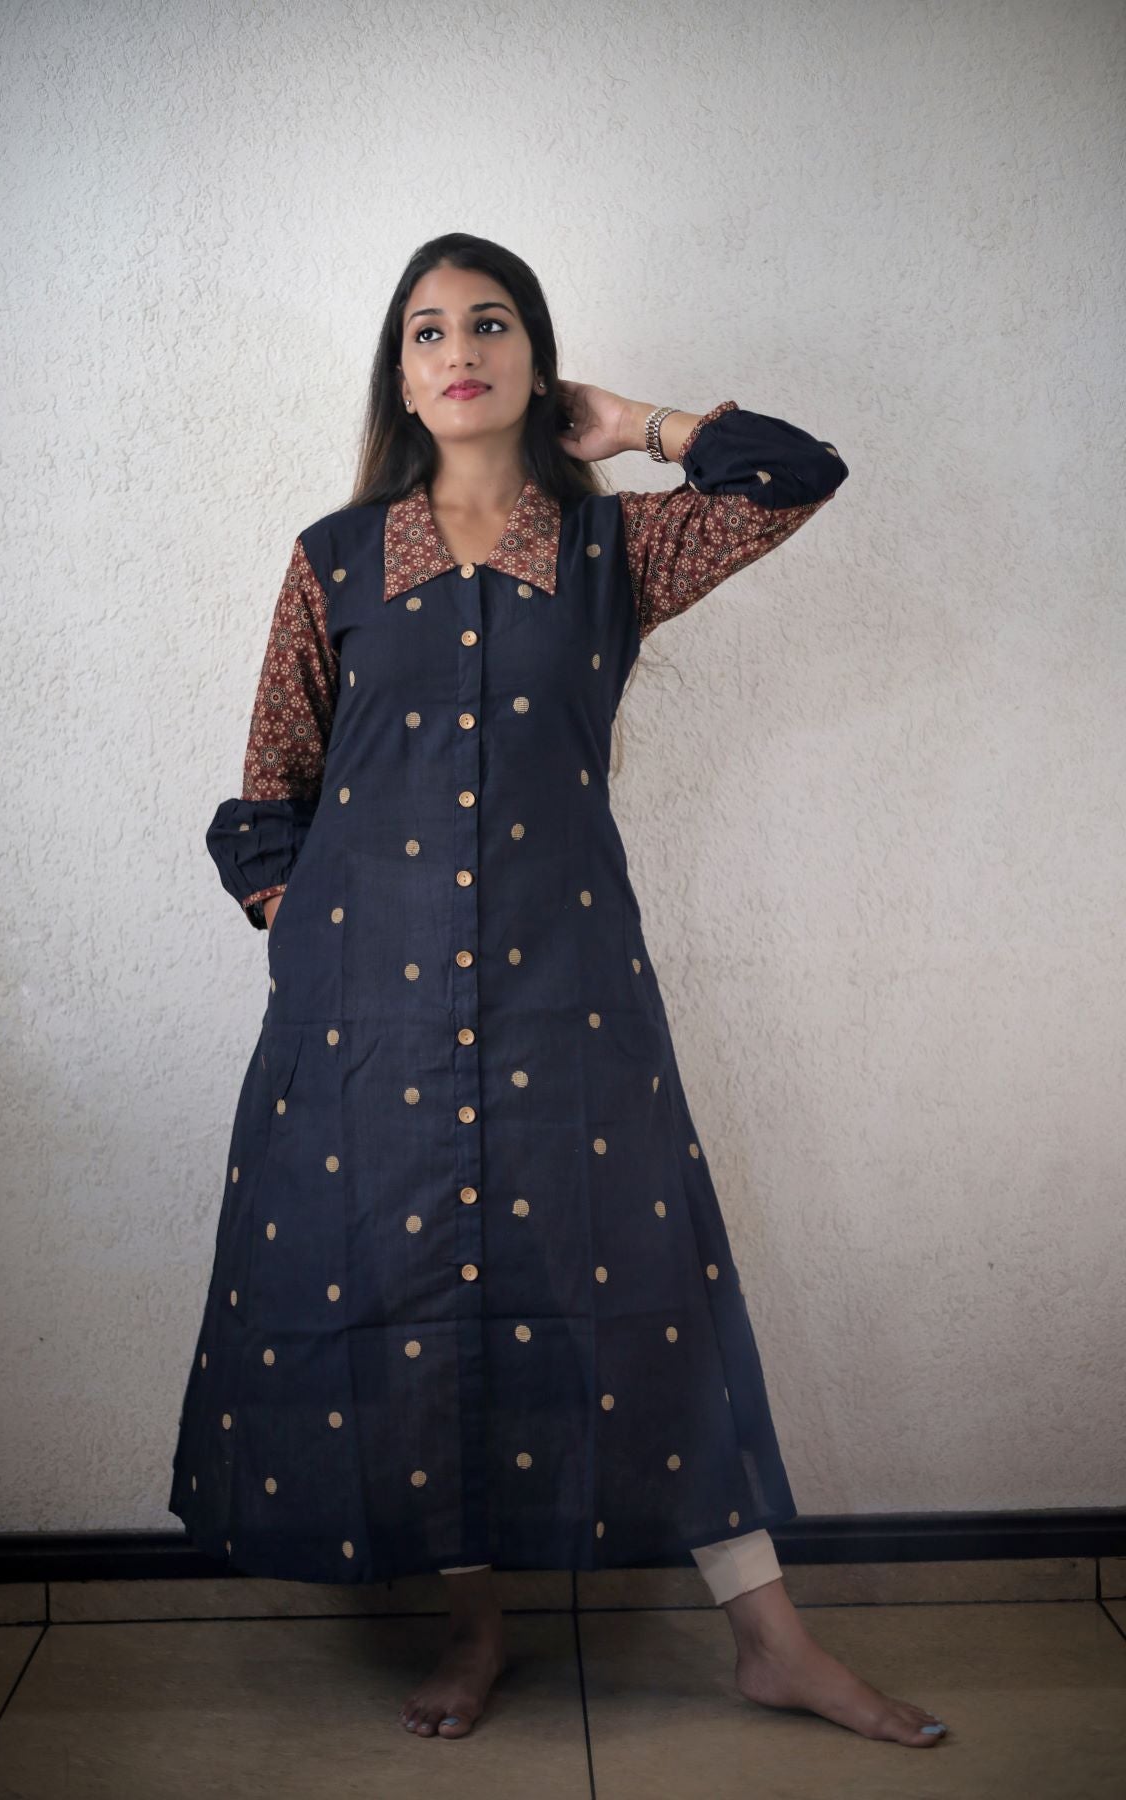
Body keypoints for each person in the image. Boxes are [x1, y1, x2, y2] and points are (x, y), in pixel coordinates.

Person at [169, 233, 947, 1751]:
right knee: (409, 1306)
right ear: (399, 377)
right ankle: (476, 1629)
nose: (459, 351)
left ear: (537, 359)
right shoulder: (336, 560)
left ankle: (774, 1644)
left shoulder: (611, 552)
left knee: (641, 1297)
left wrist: (642, 425)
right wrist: (305, 928)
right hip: (366, 1019)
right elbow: (269, 788)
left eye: (491, 324)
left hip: (564, 997)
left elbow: (798, 476)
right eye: (427, 332)